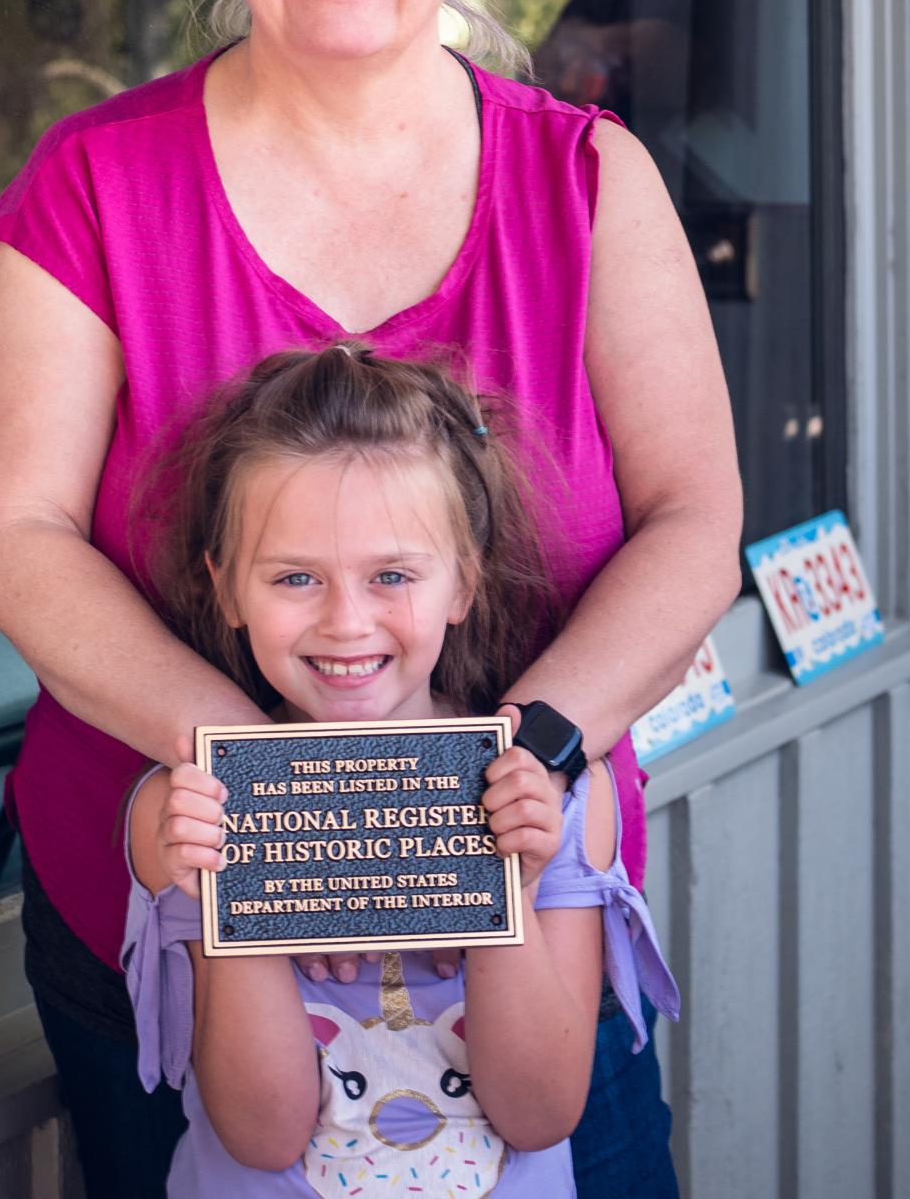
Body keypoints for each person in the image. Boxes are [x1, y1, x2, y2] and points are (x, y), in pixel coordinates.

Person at [0, 0, 741, 1198]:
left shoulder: (586, 181)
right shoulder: (94, 185)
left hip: (524, 911)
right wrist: (260, 787)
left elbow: (694, 522)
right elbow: (19, 535)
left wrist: (530, 755)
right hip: (176, 909)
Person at [123, 343, 679, 1197]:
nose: (347, 623)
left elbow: (540, 1112)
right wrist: (228, 898)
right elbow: (263, 1132)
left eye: (391, 575)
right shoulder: (186, 810)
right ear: (226, 589)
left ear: (464, 583)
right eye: (295, 578)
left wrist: (511, 888)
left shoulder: (555, 798)